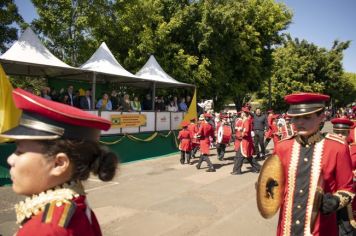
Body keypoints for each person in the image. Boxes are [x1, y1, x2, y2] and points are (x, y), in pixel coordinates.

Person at [0, 88, 118, 235]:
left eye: (20, 151)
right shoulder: (72, 206)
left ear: (59, 164)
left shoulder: (47, 229)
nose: (10, 159)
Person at [274, 92, 354, 236]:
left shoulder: (337, 147)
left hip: (321, 226)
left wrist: (336, 200)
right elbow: (274, 182)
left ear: (322, 117)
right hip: (287, 225)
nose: (300, 123)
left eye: (307, 117)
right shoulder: (282, 147)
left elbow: (347, 188)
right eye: (296, 118)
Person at [231, 107, 260, 175]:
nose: (241, 113)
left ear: (244, 114)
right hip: (244, 141)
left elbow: (246, 131)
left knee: (240, 156)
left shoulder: (246, 120)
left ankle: (237, 170)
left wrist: (240, 135)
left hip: (245, 141)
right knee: (248, 156)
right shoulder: (244, 120)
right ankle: (258, 168)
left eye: (242, 112)